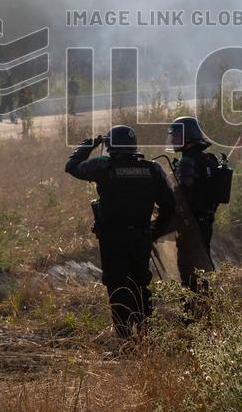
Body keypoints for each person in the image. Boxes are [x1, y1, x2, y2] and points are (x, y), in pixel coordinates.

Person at [64, 126, 176, 339]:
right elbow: (169, 205)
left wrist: (88, 144)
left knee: (117, 286)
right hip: (141, 237)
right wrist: (154, 231)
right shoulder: (152, 169)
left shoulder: (103, 166)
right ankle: (145, 336)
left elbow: (71, 166)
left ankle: (125, 339)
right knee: (140, 285)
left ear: (111, 146)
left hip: (112, 239)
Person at [168, 116, 222, 293]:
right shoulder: (208, 160)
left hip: (190, 228)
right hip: (206, 223)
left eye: (176, 135)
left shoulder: (187, 162)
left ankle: (194, 315)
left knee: (190, 274)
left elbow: (182, 198)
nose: (173, 139)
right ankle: (204, 311)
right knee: (201, 271)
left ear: (187, 136)